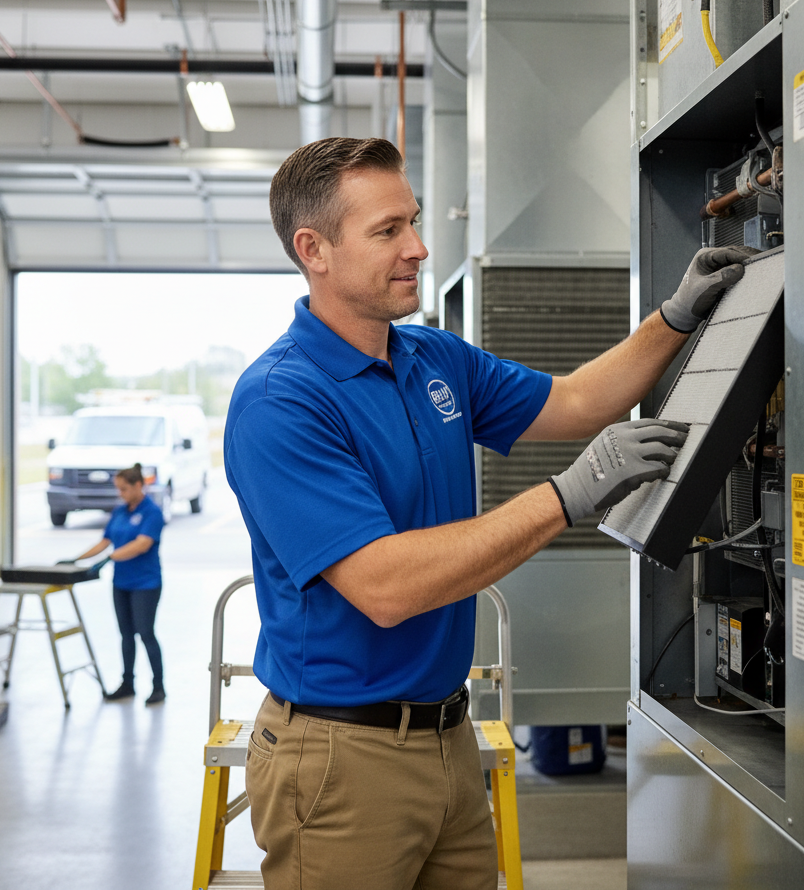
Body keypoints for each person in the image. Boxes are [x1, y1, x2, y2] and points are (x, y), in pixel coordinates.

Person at [223, 137, 751, 890]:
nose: (417, 246)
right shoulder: (281, 400)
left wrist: (674, 316)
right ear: (315, 250)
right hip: (342, 757)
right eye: (387, 230)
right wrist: (569, 494)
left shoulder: (434, 359)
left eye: (413, 221)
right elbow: (386, 587)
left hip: (448, 735)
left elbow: (577, 401)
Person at [68, 463, 166, 705]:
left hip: (146, 584)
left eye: (124, 489)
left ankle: (158, 687)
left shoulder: (152, 512)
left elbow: (142, 544)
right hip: (121, 583)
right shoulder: (120, 512)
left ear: (138, 485)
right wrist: (76, 559)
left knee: (145, 633)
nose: (120, 493)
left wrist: (110, 558)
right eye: (118, 489)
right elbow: (105, 541)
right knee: (126, 635)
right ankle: (127, 684)